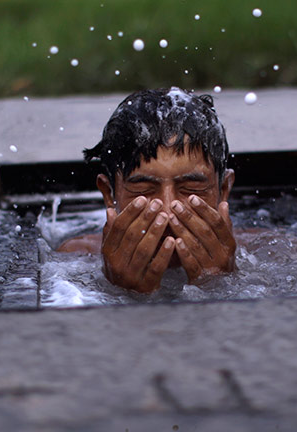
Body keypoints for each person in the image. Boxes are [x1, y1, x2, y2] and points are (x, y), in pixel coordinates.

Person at [58, 87, 236, 293]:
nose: (168, 211)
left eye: (191, 189)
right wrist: (117, 291)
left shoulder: (271, 251)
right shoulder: (72, 260)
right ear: (109, 194)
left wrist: (221, 283)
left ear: (223, 190)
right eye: (143, 189)